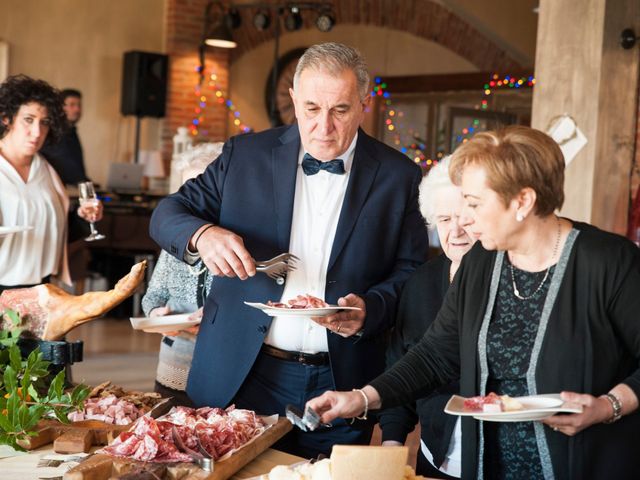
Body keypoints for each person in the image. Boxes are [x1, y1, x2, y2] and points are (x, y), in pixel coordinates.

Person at [308, 125, 640, 479]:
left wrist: (609, 406)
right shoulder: (483, 262)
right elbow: (435, 354)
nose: (463, 219)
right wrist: (361, 398)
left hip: (587, 464)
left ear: (523, 202)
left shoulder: (609, 262)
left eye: (474, 203)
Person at [149, 42, 428, 457]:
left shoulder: (398, 175)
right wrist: (203, 234)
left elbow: (410, 272)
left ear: (364, 105)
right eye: (311, 108)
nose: (323, 127)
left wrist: (372, 308)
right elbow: (168, 212)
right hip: (241, 370)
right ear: (294, 100)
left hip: (341, 378)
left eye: (340, 110)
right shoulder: (245, 155)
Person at [379, 156, 474, 479]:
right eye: (445, 220)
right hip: (437, 460)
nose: (456, 231)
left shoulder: (515, 283)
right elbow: (401, 364)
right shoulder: (420, 283)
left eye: (465, 218)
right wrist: (392, 440)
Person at [0, 75, 102, 293]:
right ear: (7, 118)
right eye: (28, 119)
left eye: (44, 122)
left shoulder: (49, 171)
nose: (37, 132)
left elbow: (59, 230)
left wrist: (82, 218)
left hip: (42, 290)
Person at [141, 143, 221, 406]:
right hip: (173, 362)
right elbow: (152, 296)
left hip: (219, 366)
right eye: (185, 190)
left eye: (199, 190)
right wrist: (156, 315)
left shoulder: (233, 244)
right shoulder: (174, 242)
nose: (191, 201)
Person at [39, 88, 89, 185]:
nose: (77, 109)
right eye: (72, 105)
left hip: (74, 190)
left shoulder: (72, 132)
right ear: (60, 108)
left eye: (79, 105)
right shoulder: (51, 132)